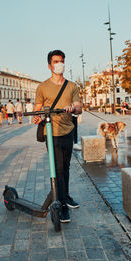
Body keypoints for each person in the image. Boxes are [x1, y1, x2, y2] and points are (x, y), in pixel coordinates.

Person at [33, 50, 82, 223]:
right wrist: (37, 116)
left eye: (61, 61)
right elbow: (38, 108)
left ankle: (66, 196)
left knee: (66, 167)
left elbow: (79, 108)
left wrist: (72, 108)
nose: (59, 64)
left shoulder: (72, 86)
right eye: (55, 61)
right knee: (58, 169)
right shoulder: (42, 87)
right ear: (49, 65)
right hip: (51, 132)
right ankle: (60, 205)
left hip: (67, 130)